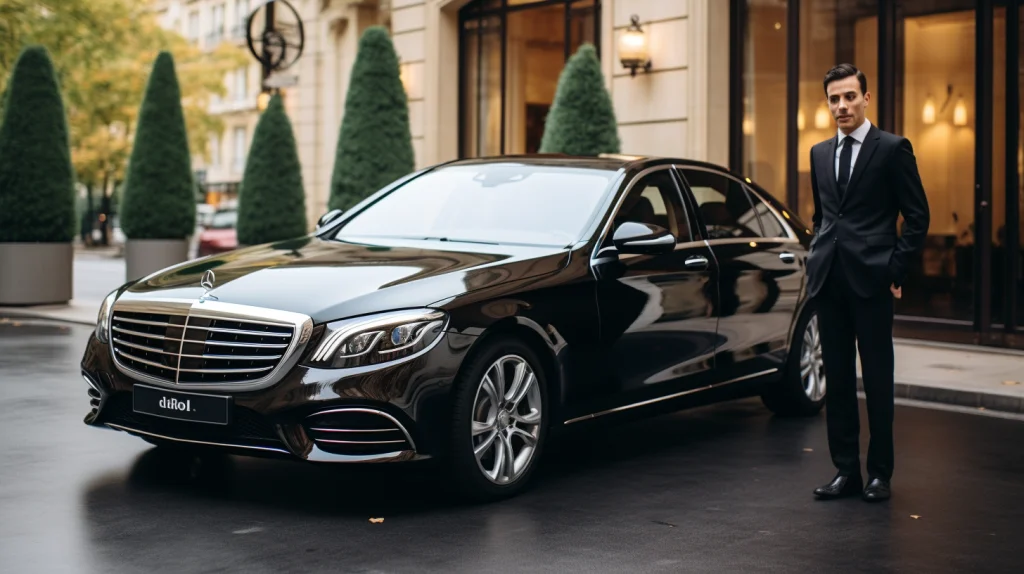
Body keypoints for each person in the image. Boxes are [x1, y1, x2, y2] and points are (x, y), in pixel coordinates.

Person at [806, 64, 930, 502]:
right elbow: (823, 216)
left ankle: (880, 473)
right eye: (834, 99)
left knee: (877, 380)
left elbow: (917, 217)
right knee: (838, 381)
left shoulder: (893, 149)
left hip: (873, 281)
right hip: (829, 281)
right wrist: (816, 254)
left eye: (849, 97)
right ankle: (845, 471)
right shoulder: (819, 153)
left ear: (866, 98)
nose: (841, 106)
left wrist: (895, 270)